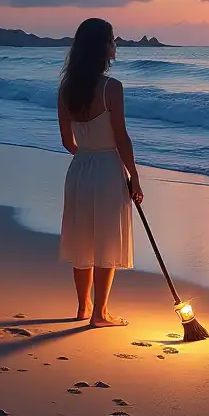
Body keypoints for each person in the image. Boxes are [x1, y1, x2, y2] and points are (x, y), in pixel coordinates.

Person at [57, 18, 143, 327]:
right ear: (101, 47)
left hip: (80, 169)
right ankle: (100, 313)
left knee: (83, 241)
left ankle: (83, 307)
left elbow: (68, 141)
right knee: (107, 241)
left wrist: (87, 157)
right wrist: (133, 175)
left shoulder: (66, 88)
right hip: (107, 169)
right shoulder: (111, 87)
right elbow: (121, 138)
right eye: (112, 40)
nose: (115, 45)